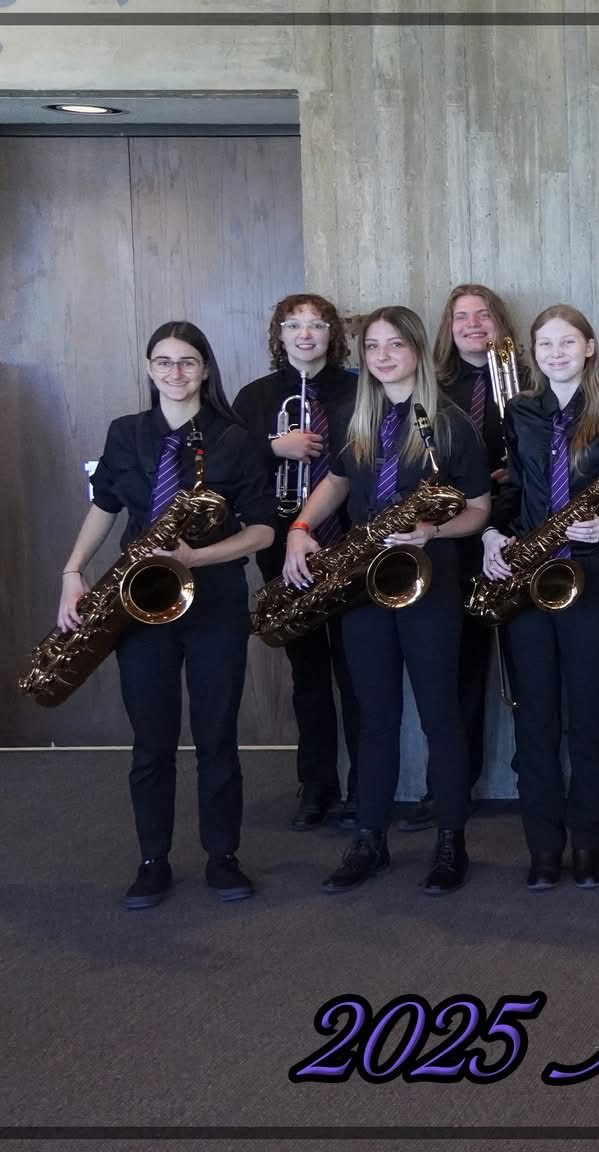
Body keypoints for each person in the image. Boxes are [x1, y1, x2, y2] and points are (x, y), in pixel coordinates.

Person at [55, 322, 275, 909]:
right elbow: (104, 505)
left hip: (215, 603)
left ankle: (222, 857)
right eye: (163, 362)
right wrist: (72, 571)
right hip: (140, 604)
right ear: (150, 369)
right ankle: (152, 860)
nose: (174, 373)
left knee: (216, 736)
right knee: (151, 742)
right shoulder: (126, 433)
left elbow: (261, 528)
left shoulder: (237, 438)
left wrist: (197, 555)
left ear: (205, 370)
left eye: (186, 362)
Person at [286, 305, 493, 895]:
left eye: (394, 346)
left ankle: (451, 841)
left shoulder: (450, 423)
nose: (381, 356)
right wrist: (300, 529)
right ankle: (370, 838)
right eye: (372, 347)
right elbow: (339, 481)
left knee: (439, 714)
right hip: (364, 584)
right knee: (374, 719)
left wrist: (433, 531)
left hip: (431, 579)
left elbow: (478, 509)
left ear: (417, 352)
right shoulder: (357, 415)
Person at [483, 305, 599, 891]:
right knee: (536, 720)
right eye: (544, 344)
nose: (555, 353)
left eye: (567, 342)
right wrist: (494, 533)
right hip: (527, 578)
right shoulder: (519, 413)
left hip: (589, 578)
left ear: (591, 346)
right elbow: (508, 489)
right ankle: (543, 846)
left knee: (589, 720)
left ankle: (588, 843)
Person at [230, 294, 363, 831]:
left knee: (358, 673)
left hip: (352, 545)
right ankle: (317, 785)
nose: (305, 334)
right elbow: (229, 470)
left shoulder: (359, 388)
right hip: (284, 548)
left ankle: (363, 786)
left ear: (333, 335)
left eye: (317, 325)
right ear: (278, 336)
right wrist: (272, 448)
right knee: (307, 674)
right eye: (294, 326)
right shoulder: (256, 398)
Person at [402, 284, 518, 833]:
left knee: (525, 663)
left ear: (500, 322)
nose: (473, 324)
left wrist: (510, 479)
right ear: (448, 327)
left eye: (484, 315)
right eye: (461, 317)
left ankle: (533, 777)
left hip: (513, 533)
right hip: (449, 541)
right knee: (459, 668)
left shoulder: (527, 381)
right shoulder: (431, 388)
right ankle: (453, 785)